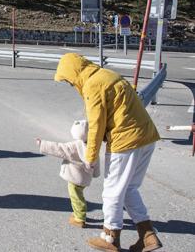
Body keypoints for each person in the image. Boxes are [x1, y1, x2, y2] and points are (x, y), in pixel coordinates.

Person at [54, 53, 162, 252]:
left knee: (112, 191)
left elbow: (96, 125)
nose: (71, 84)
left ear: (74, 73)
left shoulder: (92, 85)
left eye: (69, 80)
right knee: (128, 189)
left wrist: (90, 157)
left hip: (126, 141)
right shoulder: (107, 74)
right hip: (147, 137)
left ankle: (110, 237)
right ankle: (148, 236)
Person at [36, 119, 100, 229]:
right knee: (79, 194)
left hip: (75, 177)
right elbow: (96, 162)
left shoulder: (75, 145)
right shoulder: (93, 147)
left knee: (75, 196)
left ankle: (79, 218)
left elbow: (59, 148)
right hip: (85, 178)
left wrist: (42, 144)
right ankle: (79, 213)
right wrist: (95, 174)